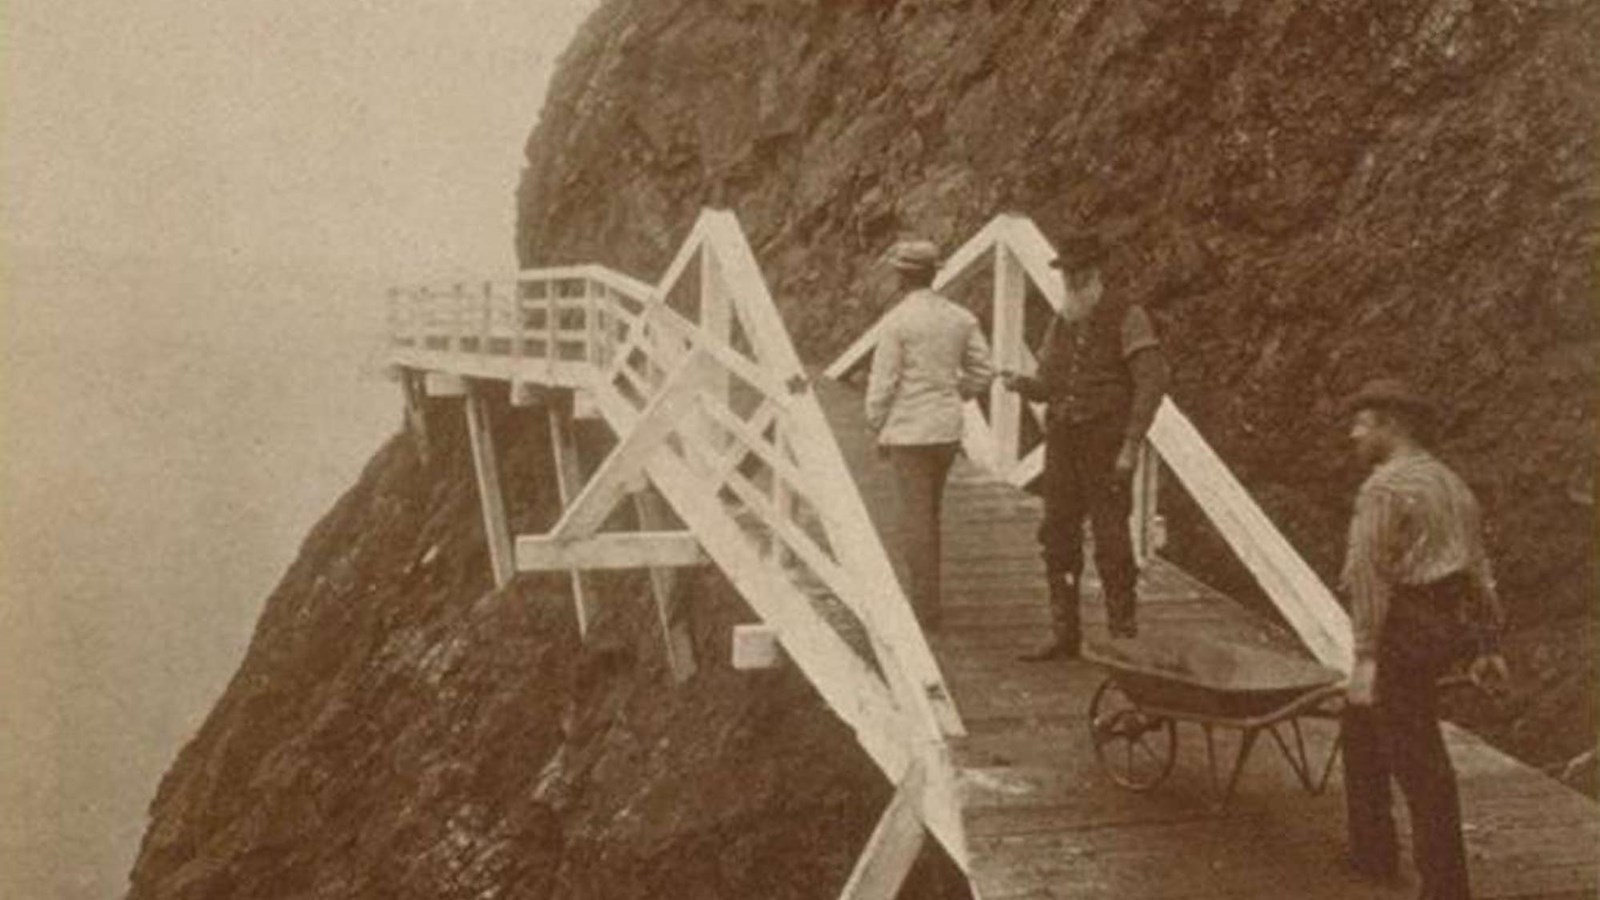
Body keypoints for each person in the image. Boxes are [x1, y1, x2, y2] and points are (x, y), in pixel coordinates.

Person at [1338, 377, 1509, 900]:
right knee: (1359, 727)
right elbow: (1479, 570)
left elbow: (1368, 578)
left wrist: (1366, 658)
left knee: (1419, 758)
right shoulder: (1450, 484)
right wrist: (1487, 646)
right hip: (1445, 626)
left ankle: (1445, 886)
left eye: (1361, 424)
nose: (1352, 435)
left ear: (1390, 425)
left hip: (1401, 631)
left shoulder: (1384, 489)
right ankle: (1372, 852)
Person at [1001, 231, 1167, 659]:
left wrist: (1131, 444)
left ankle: (1122, 634)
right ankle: (1065, 634)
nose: (1072, 281)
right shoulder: (1062, 321)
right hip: (1063, 441)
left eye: (1079, 273)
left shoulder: (1128, 316)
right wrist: (1024, 386)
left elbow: (1151, 382)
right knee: (1057, 532)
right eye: (1067, 274)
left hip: (1106, 443)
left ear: (1096, 274)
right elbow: (1049, 384)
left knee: (1111, 537)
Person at [865, 238, 993, 631]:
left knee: (915, 519)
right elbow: (983, 371)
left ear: (901, 277)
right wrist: (959, 393)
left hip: (909, 433)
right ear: (933, 274)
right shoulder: (960, 318)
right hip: (946, 429)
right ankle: (927, 600)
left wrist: (875, 421)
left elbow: (883, 382)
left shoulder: (898, 322)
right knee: (931, 514)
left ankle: (925, 608)